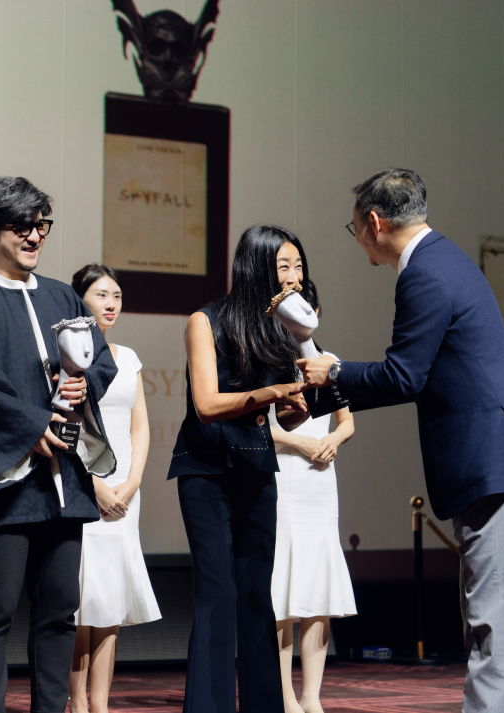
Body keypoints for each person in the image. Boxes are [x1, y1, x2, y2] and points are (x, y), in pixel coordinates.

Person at [297, 168, 504, 713]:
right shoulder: (442, 259)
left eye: (353, 227)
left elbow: (403, 376)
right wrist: (321, 397)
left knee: (492, 631)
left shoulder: (424, 273)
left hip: (497, 466)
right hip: (497, 465)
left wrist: (332, 373)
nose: (357, 237)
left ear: (374, 222)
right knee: (489, 627)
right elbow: (418, 377)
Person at [0, 177, 118, 713]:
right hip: (7, 481)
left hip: (64, 480)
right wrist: (30, 425)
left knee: (60, 608)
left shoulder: (61, 294)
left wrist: (84, 385)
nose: (35, 236)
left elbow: (100, 361)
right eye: (22, 227)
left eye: (41, 225)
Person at [170, 224, 310, 713]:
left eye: (298, 267)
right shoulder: (204, 321)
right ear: (256, 268)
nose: (294, 277)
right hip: (205, 470)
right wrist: (271, 393)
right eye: (284, 266)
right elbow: (206, 405)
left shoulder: (283, 330)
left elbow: (289, 415)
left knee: (256, 594)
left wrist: (298, 401)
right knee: (218, 592)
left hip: (256, 467)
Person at [67, 264, 160, 713]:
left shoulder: (129, 357)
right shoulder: (68, 360)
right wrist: (95, 486)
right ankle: (76, 701)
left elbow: (140, 427)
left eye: (117, 296)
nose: (111, 304)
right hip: (84, 490)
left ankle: (100, 705)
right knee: (82, 602)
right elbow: (67, 432)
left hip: (125, 493)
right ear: (79, 300)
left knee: (110, 605)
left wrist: (133, 481)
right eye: (101, 295)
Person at [267, 279, 356, 713]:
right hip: (284, 479)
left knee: (318, 594)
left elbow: (347, 422)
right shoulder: (267, 362)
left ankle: (312, 698)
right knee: (283, 591)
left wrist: (333, 440)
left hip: (320, 483)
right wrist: (299, 442)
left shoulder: (328, 362)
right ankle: (285, 695)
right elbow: (259, 428)